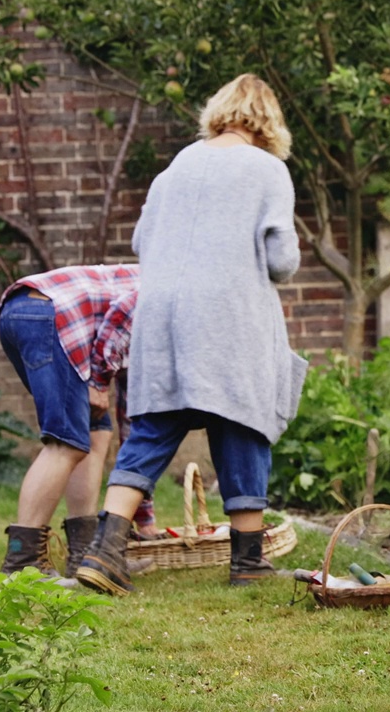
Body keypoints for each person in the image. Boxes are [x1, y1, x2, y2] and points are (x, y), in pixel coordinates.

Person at [74, 73, 308, 596]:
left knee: (154, 427)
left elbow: (141, 240)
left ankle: (105, 552)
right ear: (268, 121)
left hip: (162, 317)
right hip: (229, 316)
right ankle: (248, 562)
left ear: (218, 112)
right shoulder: (268, 170)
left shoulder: (173, 169)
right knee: (241, 424)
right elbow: (282, 260)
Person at [0, 264, 157, 584]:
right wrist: (98, 382)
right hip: (51, 315)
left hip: (24, 312)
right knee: (65, 442)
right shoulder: (175, 290)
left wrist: (145, 518)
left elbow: (131, 419)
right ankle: (22, 562)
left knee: (96, 433)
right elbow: (125, 309)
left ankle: (84, 554)